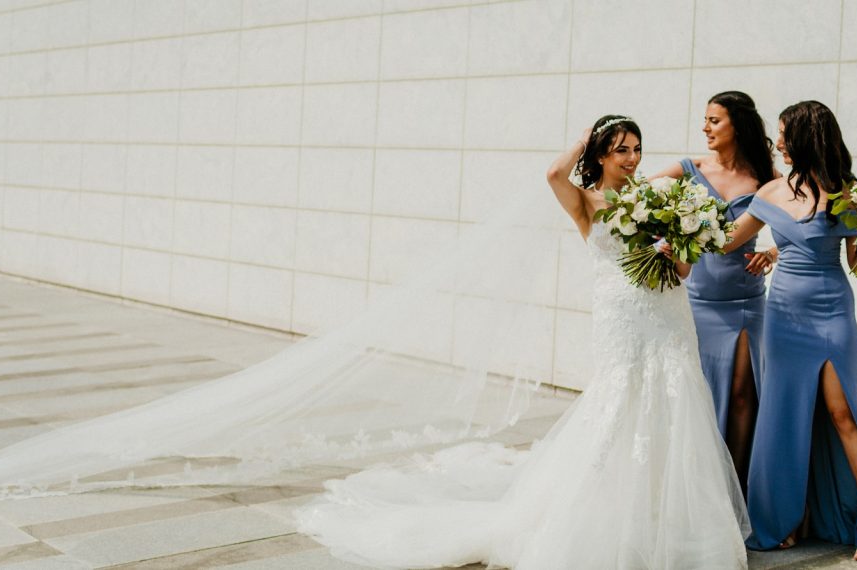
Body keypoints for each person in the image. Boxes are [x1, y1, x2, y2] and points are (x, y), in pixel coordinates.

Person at [296, 115, 750, 568]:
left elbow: (685, 269)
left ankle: (672, 523)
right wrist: (584, 139)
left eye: (636, 150)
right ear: (600, 155)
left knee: (676, 399)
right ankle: (605, 519)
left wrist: (676, 253)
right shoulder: (587, 201)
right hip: (622, 313)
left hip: (669, 310)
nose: (632, 159)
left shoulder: (655, 197)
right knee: (621, 398)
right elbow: (554, 173)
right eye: (621, 150)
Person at [719, 101, 857, 562]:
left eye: (783, 134)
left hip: (833, 313)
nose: (777, 143)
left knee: (843, 414)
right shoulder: (772, 192)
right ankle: (785, 517)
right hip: (782, 317)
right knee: (785, 415)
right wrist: (665, 226)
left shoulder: (849, 194)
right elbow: (724, 240)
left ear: (804, 138)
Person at [649, 91, 778, 493]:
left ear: (736, 124)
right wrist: (664, 238)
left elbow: (802, 220)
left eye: (714, 120)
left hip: (744, 301)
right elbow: (637, 199)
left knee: (742, 395)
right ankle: (694, 490)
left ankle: (735, 489)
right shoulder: (689, 168)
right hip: (697, 300)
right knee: (697, 400)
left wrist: (774, 249)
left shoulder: (765, 176)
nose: (705, 128)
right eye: (705, 120)